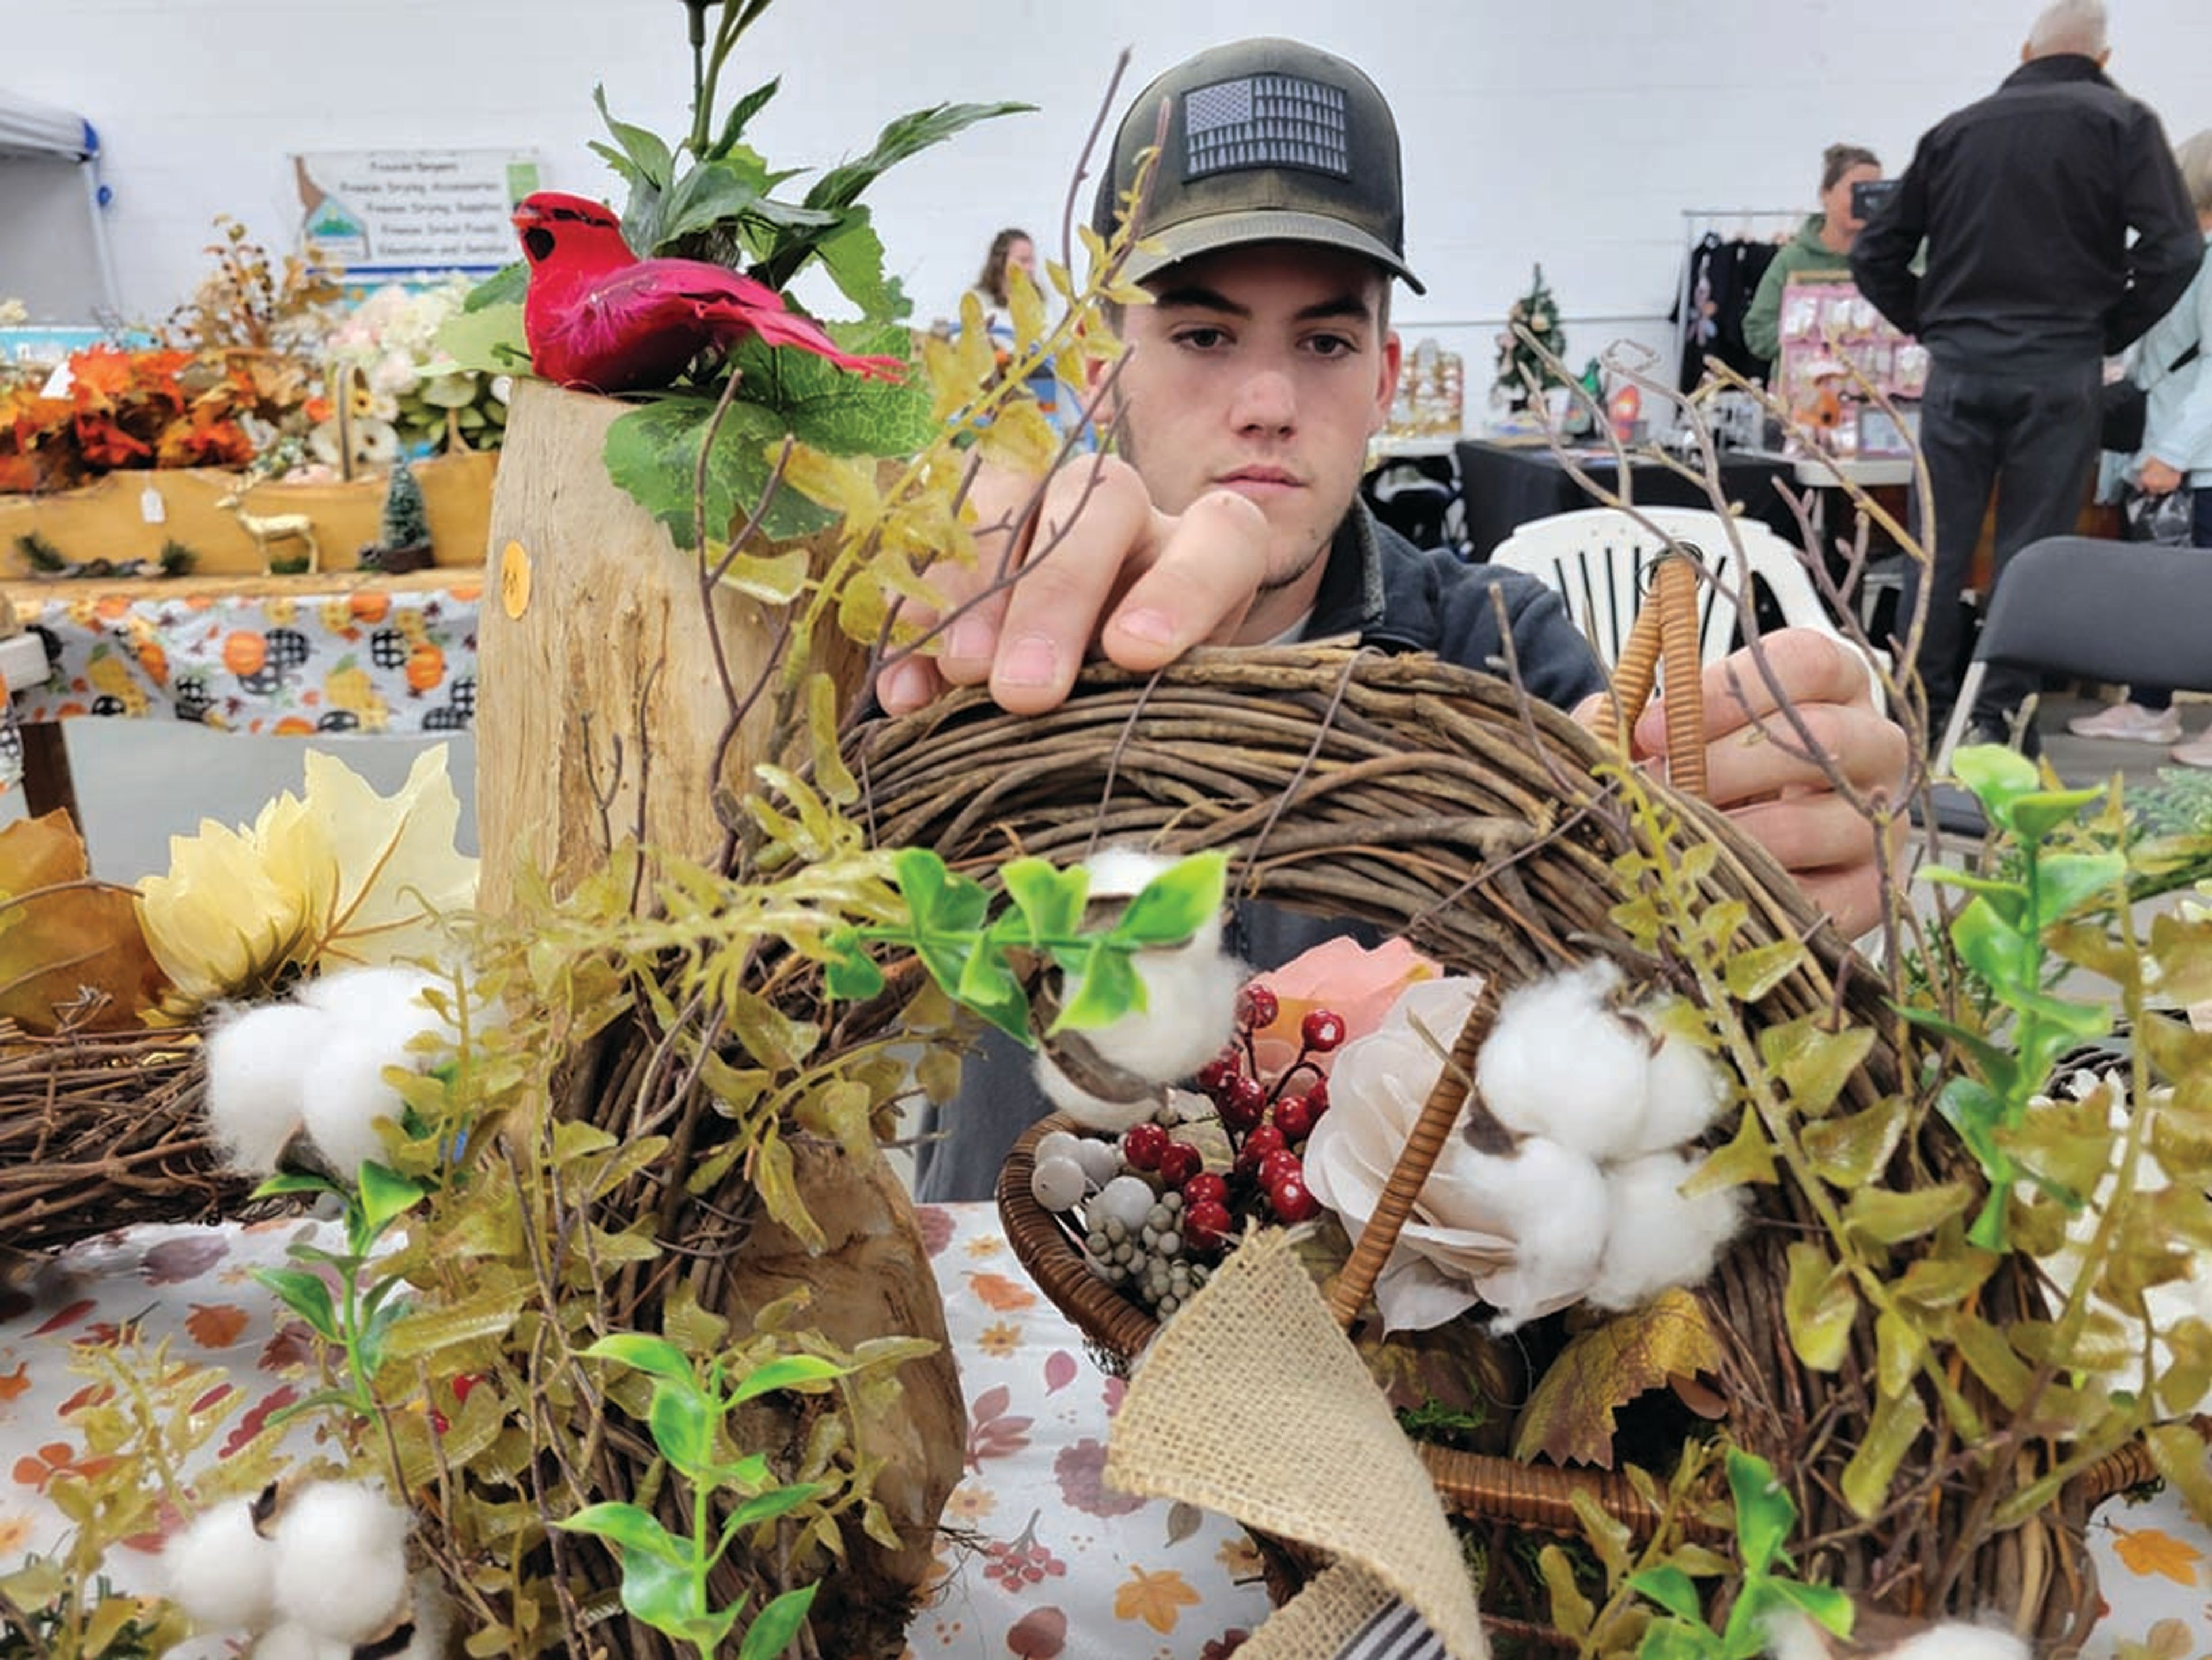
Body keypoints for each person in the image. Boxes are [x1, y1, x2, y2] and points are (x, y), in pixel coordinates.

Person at [880, 37, 1908, 1200]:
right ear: (1102, 367)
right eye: (1204, 336)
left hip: (1394, 1354)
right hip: (1007, 1316)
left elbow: (1640, 821)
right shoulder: (986, 642)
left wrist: (1787, 827)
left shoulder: (1491, 656)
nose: (1268, 406)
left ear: (1384, 379)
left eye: (1324, 342)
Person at [1849, 0, 2200, 749]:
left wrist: (1930, 322)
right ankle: (1994, 717)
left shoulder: (1955, 131)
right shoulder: (2123, 124)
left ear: (2023, 50)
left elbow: (1873, 253)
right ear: (2102, 60)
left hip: (1960, 370)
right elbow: (2176, 249)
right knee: (2031, 550)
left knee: (1933, 546)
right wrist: (2107, 328)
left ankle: (1917, 711)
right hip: (2058, 370)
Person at [2067, 127, 2212, 764]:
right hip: (2167, 452)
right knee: (2160, 589)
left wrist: (2174, 453)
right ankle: (2151, 704)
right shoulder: (2190, 257)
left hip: (2193, 461)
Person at [1742, 143, 1884, 372]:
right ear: (1825, 194)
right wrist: (1809, 332)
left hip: (1877, 397)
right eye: (1857, 190)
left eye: (1876, 191)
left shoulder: (1896, 257)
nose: (1866, 202)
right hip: (1803, 399)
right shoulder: (1793, 260)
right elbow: (1756, 333)